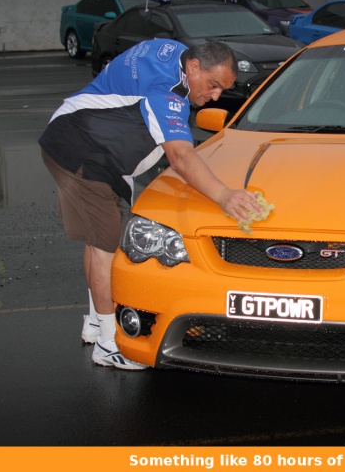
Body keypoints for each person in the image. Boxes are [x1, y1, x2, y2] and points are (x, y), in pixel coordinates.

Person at [39, 39, 263, 370]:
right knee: (106, 248)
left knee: (98, 240)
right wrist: (223, 195)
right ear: (194, 67)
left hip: (87, 142)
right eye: (213, 85)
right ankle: (108, 343)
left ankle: (93, 324)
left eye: (223, 89)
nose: (215, 96)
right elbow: (181, 157)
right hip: (82, 149)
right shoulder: (168, 92)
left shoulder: (170, 50)